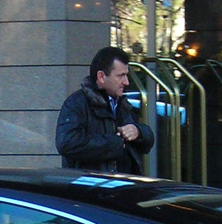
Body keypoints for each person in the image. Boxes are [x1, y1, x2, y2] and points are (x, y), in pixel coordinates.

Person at [56, 46, 155, 174]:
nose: (126, 82)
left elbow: (148, 141)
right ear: (101, 77)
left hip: (124, 185)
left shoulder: (122, 103)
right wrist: (115, 143)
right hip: (93, 187)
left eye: (126, 75)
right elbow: (66, 143)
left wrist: (138, 132)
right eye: (121, 76)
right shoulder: (76, 103)